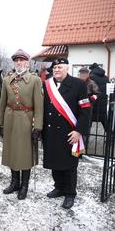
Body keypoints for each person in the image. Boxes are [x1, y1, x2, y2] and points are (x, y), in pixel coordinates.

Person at [42, 58, 90, 209]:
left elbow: (86, 110)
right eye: (54, 68)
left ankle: (70, 193)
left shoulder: (78, 84)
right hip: (51, 132)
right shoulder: (48, 85)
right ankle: (59, 187)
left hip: (69, 133)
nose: (56, 70)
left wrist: (79, 131)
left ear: (67, 68)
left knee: (69, 165)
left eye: (60, 67)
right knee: (54, 162)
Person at [0, 49, 43, 200]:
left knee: (25, 153)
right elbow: (2, 103)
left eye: (22, 60)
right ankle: (14, 182)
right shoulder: (7, 80)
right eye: (16, 60)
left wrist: (38, 127)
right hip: (10, 119)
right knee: (11, 151)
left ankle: (24, 186)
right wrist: (1, 123)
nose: (19, 63)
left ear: (27, 62)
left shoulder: (35, 80)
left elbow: (39, 106)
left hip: (26, 120)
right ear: (14, 63)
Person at [79, 67, 100, 146]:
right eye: (81, 73)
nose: (82, 75)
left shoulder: (92, 83)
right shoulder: (77, 82)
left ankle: (84, 144)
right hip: (77, 106)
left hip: (88, 106)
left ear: (88, 74)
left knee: (86, 124)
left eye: (84, 73)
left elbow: (97, 93)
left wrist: (91, 99)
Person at [89, 63, 109, 130]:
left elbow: (89, 90)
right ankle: (110, 137)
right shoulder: (106, 77)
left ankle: (85, 138)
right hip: (103, 102)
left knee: (89, 120)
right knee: (104, 120)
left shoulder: (91, 77)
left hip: (93, 102)